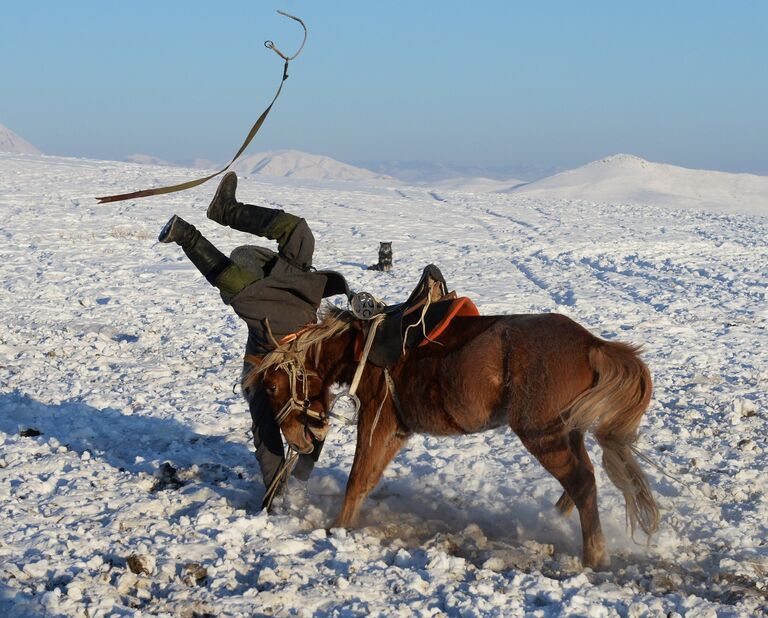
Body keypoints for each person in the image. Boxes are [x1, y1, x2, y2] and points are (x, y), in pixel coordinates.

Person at [158, 172, 344, 506]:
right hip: (297, 298)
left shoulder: (263, 381)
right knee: (298, 233)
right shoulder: (317, 388)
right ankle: (225, 210)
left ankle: (186, 235)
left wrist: (277, 494)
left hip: (269, 341)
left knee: (242, 288)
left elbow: (266, 436)